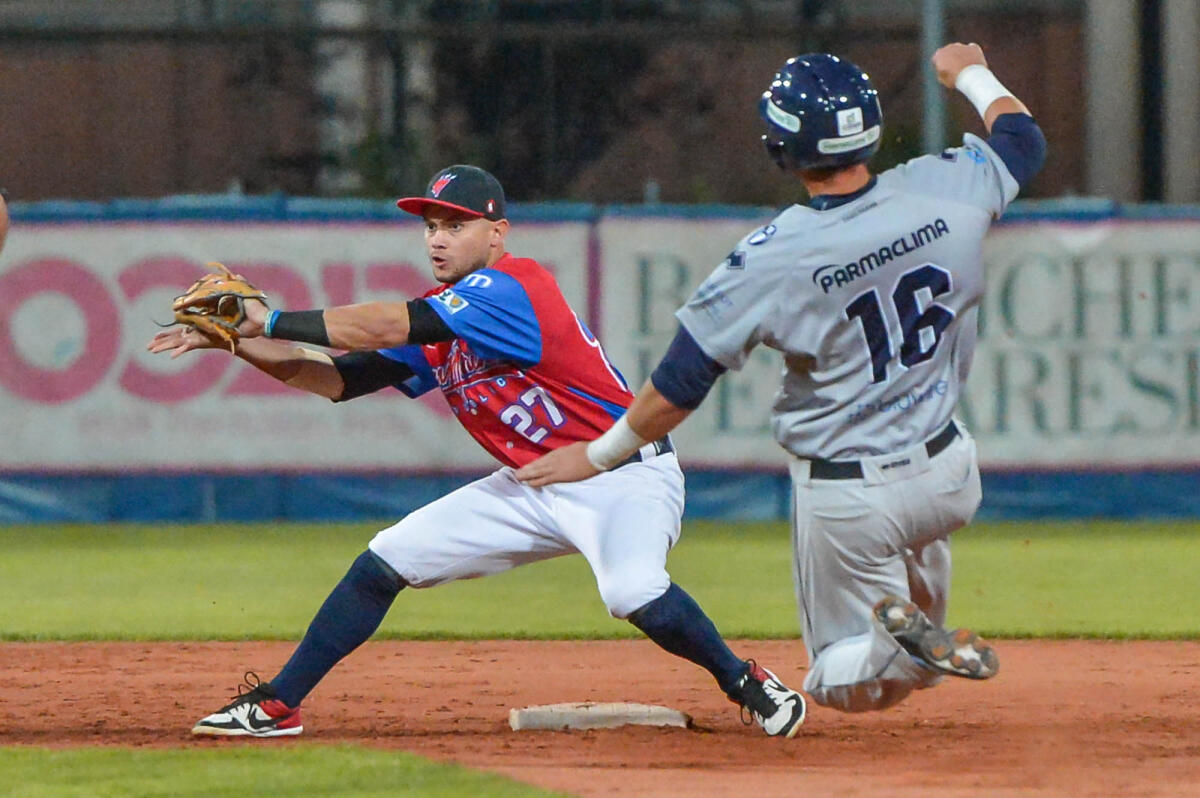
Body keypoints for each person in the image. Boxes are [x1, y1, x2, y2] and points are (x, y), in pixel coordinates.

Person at [148, 164, 806, 738]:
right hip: (533, 482)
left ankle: (746, 682)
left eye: (456, 224)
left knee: (632, 589)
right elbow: (337, 380)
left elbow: (391, 323)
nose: (437, 237)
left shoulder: (512, 286)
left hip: (620, 474)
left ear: (497, 232)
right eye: (431, 225)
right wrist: (239, 342)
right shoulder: (447, 316)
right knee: (385, 561)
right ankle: (277, 705)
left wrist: (266, 319)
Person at [516, 43, 1046, 713]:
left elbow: (680, 383)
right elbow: (1022, 141)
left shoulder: (774, 255)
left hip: (852, 496)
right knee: (925, 665)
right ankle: (914, 644)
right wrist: (969, 71)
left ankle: (898, 647)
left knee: (842, 682)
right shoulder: (944, 186)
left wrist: (599, 455)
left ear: (781, 147)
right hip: (948, 474)